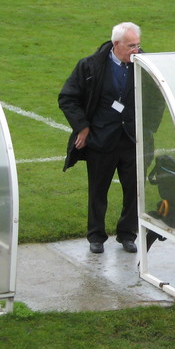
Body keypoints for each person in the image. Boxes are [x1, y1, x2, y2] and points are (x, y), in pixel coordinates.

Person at [58, 22, 143, 254]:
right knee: (98, 190)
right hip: (101, 140)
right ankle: (96, 236)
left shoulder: (147, 64)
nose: (136, 50)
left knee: (135, 191)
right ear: (116, 44)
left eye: (138, 44)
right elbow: (68, 98)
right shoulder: (90, 65)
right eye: (131, 45)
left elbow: (158, 100)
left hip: (133, 140)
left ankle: (128, 234)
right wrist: (82, 128)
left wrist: (149, 130)